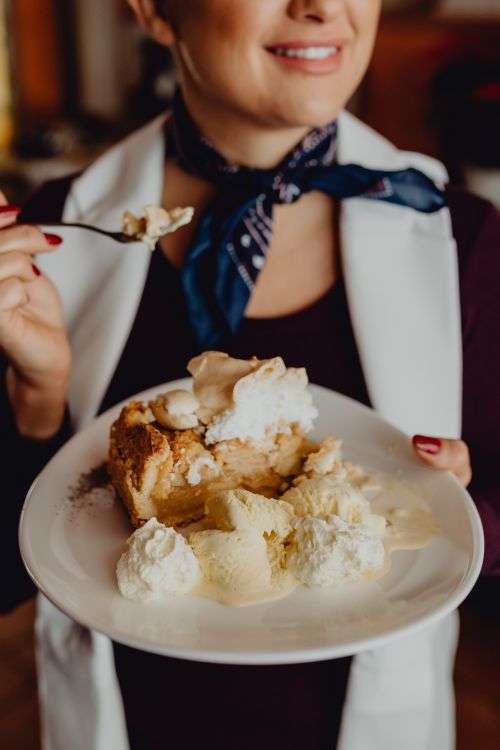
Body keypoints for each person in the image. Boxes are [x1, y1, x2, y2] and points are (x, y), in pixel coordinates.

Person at [1, 1, 499, 748]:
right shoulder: (52, 238)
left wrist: (456, 519)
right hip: (132, 721)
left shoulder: (461, 237)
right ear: (154, 11)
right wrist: (39, 396)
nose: (323, 6)